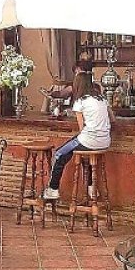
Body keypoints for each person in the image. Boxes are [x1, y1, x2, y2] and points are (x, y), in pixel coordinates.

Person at [42, 71, 113, 201]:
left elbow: (81, 129)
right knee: (85, 157)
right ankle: (92, 190)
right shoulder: (102, 99)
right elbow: (112, 119)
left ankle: (53, 189)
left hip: (89, 139)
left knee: (59, 153)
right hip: (105, 141)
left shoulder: (80, 101)